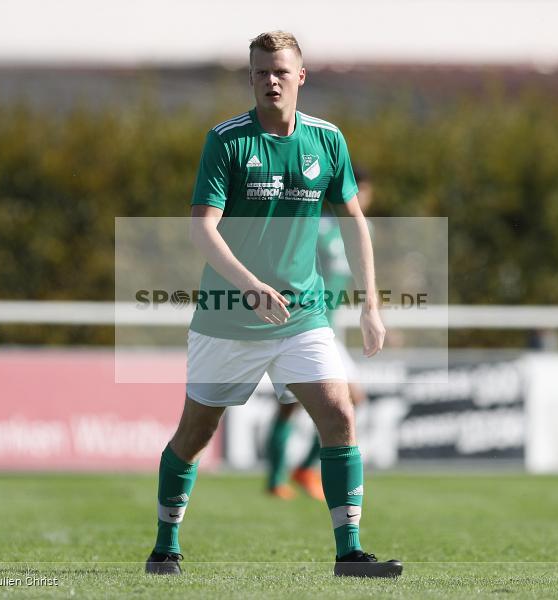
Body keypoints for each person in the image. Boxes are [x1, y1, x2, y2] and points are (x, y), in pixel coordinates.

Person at [144, 31, 402, 578]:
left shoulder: (328, 140)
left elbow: (355, 224)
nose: (271, 81)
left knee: (339, 413)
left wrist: (370, 304)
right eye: (260, 72)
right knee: (196, 433)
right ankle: (166, 543)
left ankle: (349, 551)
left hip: (302, 315)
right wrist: (249, 285)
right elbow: (201, 230)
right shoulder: (227, 141)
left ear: (301, 77)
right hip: (228, 316)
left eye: (281, 71)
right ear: (252, 79)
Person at [266, 167, 374, 501]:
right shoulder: (318, 226)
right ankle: (279, 478)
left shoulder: (360, 230)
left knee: (346, 401)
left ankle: (298, 471)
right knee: (295, 405)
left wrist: (374, 313)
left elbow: (361, 276)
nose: (364, 198)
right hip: (306, 325)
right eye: (359, 191)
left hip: (329, 331)